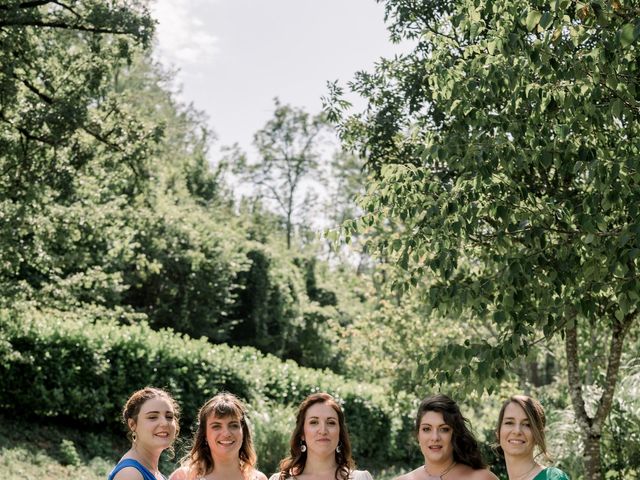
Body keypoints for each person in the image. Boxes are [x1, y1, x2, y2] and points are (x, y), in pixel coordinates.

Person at [269, 392, 373, 480]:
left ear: (340, 433)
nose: (323, 431)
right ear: (302, 434)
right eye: (314, 422)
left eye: (331, 423)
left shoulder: (362, 478)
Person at [395, 394, 497, 480]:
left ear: (455, 434)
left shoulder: (482, 478)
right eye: (427, 429)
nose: (435, 437)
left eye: (444, 429)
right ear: (418, 435)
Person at [169, 392, 267, 480]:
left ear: (243, 432)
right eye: (216, 426)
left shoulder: (258, 478)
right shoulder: (184, 477)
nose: (226, 433)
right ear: (205, 435)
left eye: (233, 425)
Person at [108, 386, 180, 480]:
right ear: (133, 424)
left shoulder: (155, 473)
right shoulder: (130, 474)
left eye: (169, 417)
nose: (164, 423)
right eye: (152, 417)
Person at [496, 395, 570, 480]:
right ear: (498, 432)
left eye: (527, 424)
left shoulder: (552, 477)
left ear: (538, 434)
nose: (517, 431)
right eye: (509, 423)